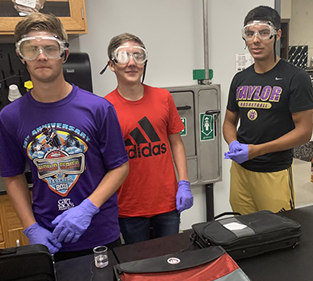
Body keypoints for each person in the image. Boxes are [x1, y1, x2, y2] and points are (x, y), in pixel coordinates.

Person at [0, 13, 129, 261]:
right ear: (21, 56)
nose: (41, 56)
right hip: (48, 238)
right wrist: (31, 228)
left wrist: (88, 209)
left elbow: (120, 166)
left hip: (99, 234)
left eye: (50, 48)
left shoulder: (98, 108)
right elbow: (13, 176)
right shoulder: (10, 116)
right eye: (31, 49)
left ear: (64, 55)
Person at [103, 33, 193, 244]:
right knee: (139, 265)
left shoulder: (163, 98)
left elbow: (176, 143)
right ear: (112, 65)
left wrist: (184, 182)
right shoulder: (104, 108)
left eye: (138, 56)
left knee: (171, 259)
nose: (132, 63)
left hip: (168, 202)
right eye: (124, 56)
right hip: (129, 206)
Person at [223, 5, 313, 215]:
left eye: (264, 33)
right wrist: (234, 143)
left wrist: (256, 150)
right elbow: (229, 122)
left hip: (274, 172)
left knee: (276, 233)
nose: (256, 40)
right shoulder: (240, 79)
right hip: (241, 172)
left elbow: (304, 132)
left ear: (277, 35)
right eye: (250, 33)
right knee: (243, 230)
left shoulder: (295, 78)